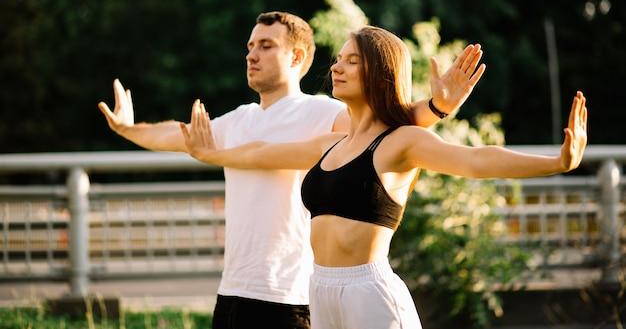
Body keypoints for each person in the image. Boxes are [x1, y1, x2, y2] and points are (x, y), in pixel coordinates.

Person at [179, 25, 588, 329]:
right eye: (338, 58)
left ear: (380, 73)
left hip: (368, 293)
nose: (337, 66)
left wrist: (556, 162)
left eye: (352, 61)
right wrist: (208, 152)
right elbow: (263, 153)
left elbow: (476, 160)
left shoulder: (400, 142)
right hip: (318, 292)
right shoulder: (330, 143)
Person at [99, 12, 487, 329]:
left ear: (298, 58)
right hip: (232, 293)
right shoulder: (238, 119)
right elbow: (181, 135)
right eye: (250, 46)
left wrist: (437, 107)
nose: (252, 55)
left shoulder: (325, 112)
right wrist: (128, 128)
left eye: (266, 46)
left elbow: (384, 127)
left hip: (290, 299)